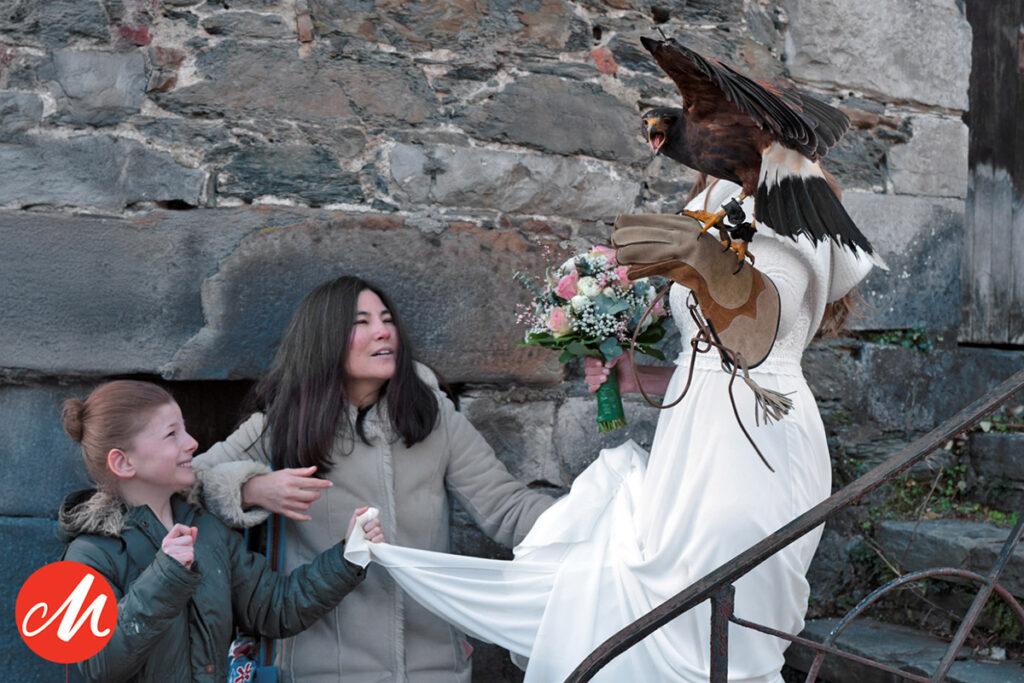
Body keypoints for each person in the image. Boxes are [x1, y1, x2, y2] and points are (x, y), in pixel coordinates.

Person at [339, 177, 877, 682]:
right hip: (690, 446)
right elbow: (707, 368)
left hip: (757, 442)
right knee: (647, 602)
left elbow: (753, 347)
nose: (694, 132)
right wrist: (633, 374)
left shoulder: (787, 209)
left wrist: (691, 253)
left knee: (723, 628)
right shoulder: (714, 197)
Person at [190, 275, 555, 682]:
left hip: (433, 669)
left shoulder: (435, 421)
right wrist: (251, 488)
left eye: (386, 319)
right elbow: (185, 483)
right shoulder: (281, 427)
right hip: (318, 670)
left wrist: (601, 520)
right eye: (360, 322)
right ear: (324, 338)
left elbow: (508, 508)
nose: (383, 331)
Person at [58, 379, 384, 682]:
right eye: (172, 434)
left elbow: (276, 607)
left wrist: (349, 557)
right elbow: (96, 664)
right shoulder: (88, 553)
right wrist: (166, 576)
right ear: (123, 463)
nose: (192, 443)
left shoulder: (208, 531)